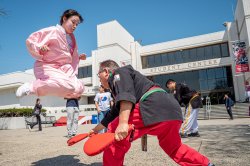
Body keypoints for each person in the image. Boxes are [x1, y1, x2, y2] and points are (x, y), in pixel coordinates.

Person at [89, 60, 215, 166]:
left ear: (106, 72)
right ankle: (205, 164)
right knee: (174, 148)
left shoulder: (119, 72)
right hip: (173, 111)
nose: (98, 78)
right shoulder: (118, 87)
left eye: (98, 74)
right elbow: (113, 113)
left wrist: (122, 123)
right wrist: (96, 130)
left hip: (153, 106)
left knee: (115, 134)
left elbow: (126, 96)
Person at [16, 9, 86, 99]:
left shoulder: (72, 38)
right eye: (73, 22)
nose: (75, 26)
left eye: (77, 24)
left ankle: (65, 92)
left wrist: (78, 57)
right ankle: (31, 87)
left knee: (79, 88)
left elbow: (70, 55)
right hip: (48, 66)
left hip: (65, 68)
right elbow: (31, 40)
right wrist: (40, 49)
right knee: (66, 85)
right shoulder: (53, 31)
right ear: (64, 19)